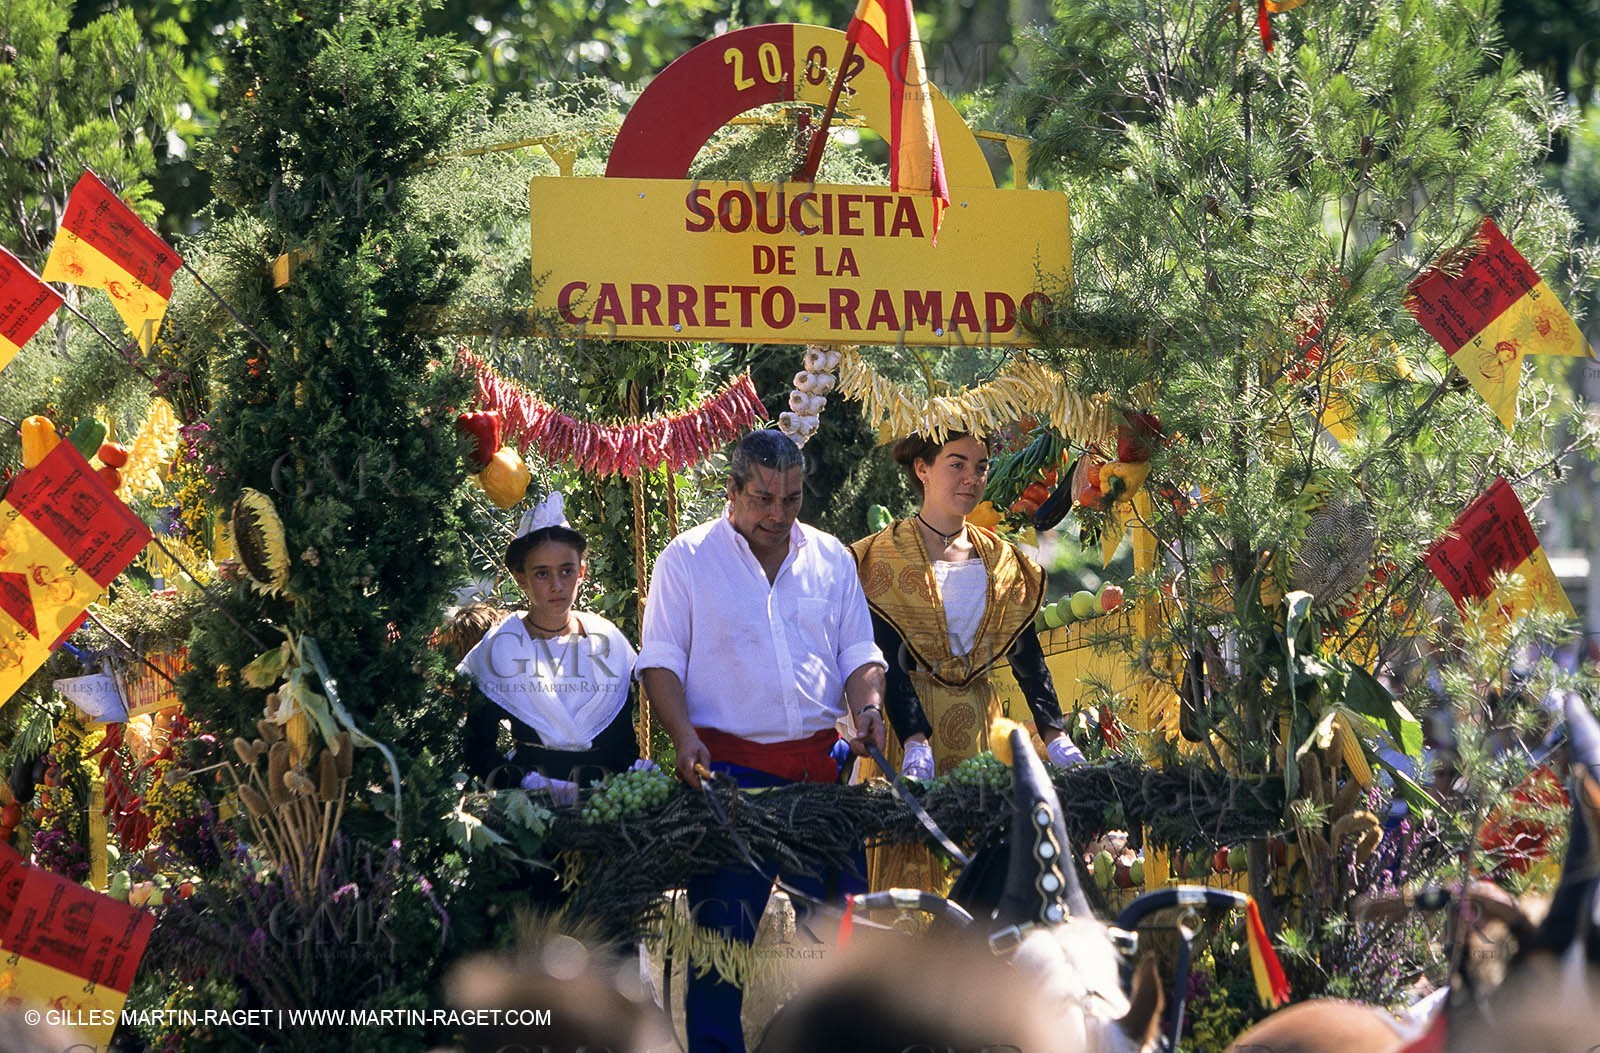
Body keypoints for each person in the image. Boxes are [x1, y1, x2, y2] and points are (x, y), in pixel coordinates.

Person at [637, 428, 887, 1053]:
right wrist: (683, 737)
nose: (778, 514)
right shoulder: (687, 559)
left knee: (845, 947)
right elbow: (660, 664)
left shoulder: (831, 558)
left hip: (821, 773)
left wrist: (869, 709)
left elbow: (859, 653)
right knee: (721, 956)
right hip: (730, 780)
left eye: (792, 499)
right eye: (763, 499)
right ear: (731, 490)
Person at [851, 431, 1085, 891]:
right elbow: (885, 654)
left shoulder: (1001, 559)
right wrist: (915, 739)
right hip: (907, 735)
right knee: (912, 867)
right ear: (922, 469)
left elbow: (1024, 651)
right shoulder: (881, 555)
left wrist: (1054, 733)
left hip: (982, 728)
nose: (971, 478)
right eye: (956, 464)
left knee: (985, 873)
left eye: (980, 467)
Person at [458, 492, 640, 799]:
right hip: (532, 808)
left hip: (608, 805)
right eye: (542, 573)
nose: (557, 585)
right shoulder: (501, 649)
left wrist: (634, 778)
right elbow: (478, 751)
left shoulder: (607, 642)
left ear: (582, 571)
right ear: (521, 578)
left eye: (566, 570)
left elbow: (624, 743)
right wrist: (525, 783)